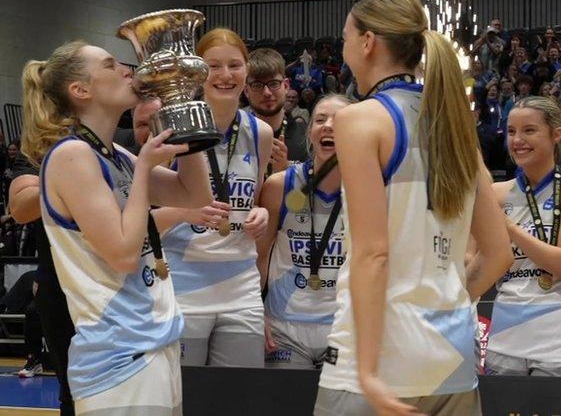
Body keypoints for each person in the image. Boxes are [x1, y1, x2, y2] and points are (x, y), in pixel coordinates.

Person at [317, 0, 512, 415]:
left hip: (379, 358)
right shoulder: (455, 124)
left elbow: (373, 254)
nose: (344, 46)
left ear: (368, 42)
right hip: (451, 355)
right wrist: (448, 304)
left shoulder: (359, 119)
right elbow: (498, 254)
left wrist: (368, 371)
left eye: (346, 36)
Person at [22, 40, 212, 413]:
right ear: (81, 90)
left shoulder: (116, 153)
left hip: (154, 343)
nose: (127, 69)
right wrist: (144, 170)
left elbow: (193, 195)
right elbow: (123, 255)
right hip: (118, 357)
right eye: (111, 65)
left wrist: (183, 113)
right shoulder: (71, 155)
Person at [156, 28, 273, 368]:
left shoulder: (261, 134)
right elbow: (144, 214)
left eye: (235, 65)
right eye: (213, 66)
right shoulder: (170, 127)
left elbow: (251, 201)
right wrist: (183, 212)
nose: (225, 75)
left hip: (241, 288)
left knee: (241, 398)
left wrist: (261, 215)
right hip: (182, 286)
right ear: (197, 72)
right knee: (187, 398)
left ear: (247, 70)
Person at [486, 96, 561, 377]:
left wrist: (509, 228)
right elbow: (476, 262)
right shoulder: (495, 193)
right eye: (511, 131)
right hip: (506, 337)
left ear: (557, 134)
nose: (518, 140)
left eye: (529, 130)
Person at [258, 95, 349, 369]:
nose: (328, 126)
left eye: (340, 121)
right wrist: (256, 312)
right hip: (284, 329)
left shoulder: (371, 191)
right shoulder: (279, 186)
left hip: (342, 329)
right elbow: (259, 256)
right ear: (310, 133)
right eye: (320, 120)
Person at [244, 48, 309, 175]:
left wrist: (287, 172)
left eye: (274, 84)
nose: (267, 93)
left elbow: (312, 192)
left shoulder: (307, 136)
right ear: (246, 91)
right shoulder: (237, 137)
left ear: (286, 86)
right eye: (257, 85)